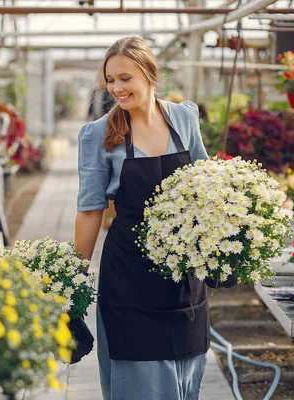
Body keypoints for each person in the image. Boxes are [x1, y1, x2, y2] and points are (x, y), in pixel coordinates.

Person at [75, 36, 210, 400]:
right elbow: (90, 210)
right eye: (110, 80)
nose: (116, 88)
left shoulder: (184, 117)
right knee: (139, 383)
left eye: (125, 78)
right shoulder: (98, 134)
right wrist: (73, 280)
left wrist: (226, 248)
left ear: (149, 74)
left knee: (187, 375)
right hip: (129, 278)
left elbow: (207, 187)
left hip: (183, 277)